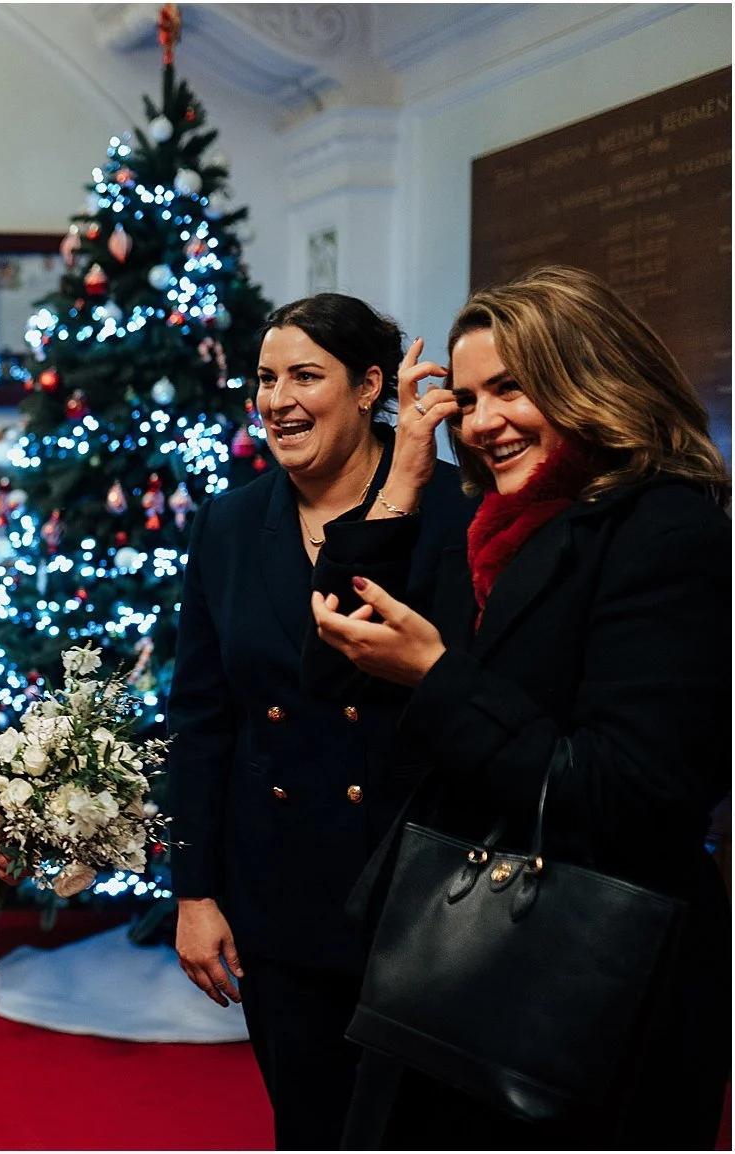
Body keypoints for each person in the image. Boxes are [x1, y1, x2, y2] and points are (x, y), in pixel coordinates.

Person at [310, 265, 730, 1147]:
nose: (483, 421)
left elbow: (631, 795)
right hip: (457, 952)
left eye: (512, 388)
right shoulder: (493, 527)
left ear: (592, 378)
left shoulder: (669, 530)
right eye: (467, 398)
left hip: (583, 985)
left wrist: (436, 677)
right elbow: (340, 656)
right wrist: (405, 484)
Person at [161, 294, 471, 1148]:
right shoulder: (229, 523)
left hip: (425, 889)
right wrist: (193, 891)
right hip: (282, 892)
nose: (278, 399)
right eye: (265, 379)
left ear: (371, 386)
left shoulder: (454, 511)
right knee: (311, 1124)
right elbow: (200, 718)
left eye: (306, 376)